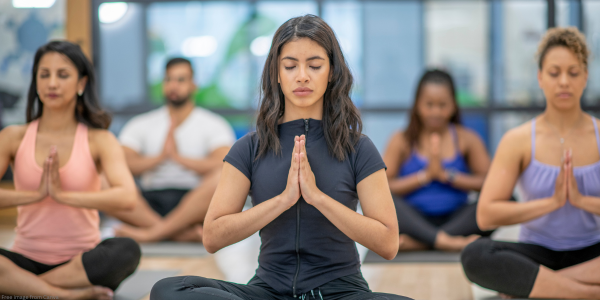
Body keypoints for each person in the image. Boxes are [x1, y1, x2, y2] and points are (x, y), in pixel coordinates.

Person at [150, 15, 411, 300]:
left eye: (314, 65)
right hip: (269, 291)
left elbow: (388, 243)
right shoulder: (249, 147)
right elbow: (212, 236)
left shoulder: (358, 147)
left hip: (341, 292)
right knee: (170, 289)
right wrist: (282, 200)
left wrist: (317, 197)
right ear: (276, 72)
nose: (302, 75)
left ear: (332, 71)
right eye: (290, 66)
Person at [461, 27, 600, 299]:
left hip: (592, 252)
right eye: (554, 72)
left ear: (585, 77)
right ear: (539, 77)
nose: (563, 81)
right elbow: (486, 214)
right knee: (475, 254)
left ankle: (537, 288)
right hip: (537, 255)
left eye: (573, 73)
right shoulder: (519, 139)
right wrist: (552, 203)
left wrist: (581, 200)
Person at [0, 41, 140, 299]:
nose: (52, 83)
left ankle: (24, 288)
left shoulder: (99, 139)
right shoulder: (12, 137)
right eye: (44, 75)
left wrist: (64, 196)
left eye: (62, 75)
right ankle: (64, 295)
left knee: (127, 250)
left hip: (81, 264)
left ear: (81, 84)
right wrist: (34, 194)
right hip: (24, 257)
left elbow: (127, 197)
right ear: (36, 82)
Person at [112, 57, 236, 243]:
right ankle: (177, 233)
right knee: (105, 179)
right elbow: (121, 163)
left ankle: (151, 233)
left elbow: (224, 164)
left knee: (223, 177)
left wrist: (180, 159)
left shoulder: (213, 124)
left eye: (181, 80)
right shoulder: (141, 123)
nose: (173, 86)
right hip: (148, 201)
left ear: (193, 85)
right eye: (169, 80)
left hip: (194, 202)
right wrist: (159, 158)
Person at [382, 69, 492, 252]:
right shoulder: (401, 140)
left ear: (454, 106)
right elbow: (383, 187)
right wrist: (425, 176)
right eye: (429, 104)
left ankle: (423, 242)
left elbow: (489, 183)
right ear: (417, 105)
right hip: (413, 218)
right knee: (380, 201)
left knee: (506, 198)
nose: (436, 112)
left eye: (443, 105)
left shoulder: (467, 139)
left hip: (457, 218)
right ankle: (446, 241)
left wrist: (446, 176)